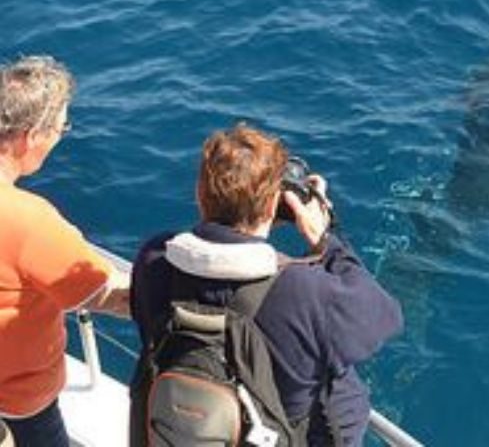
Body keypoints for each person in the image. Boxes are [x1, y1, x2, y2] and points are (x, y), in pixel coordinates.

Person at [130, 122, 403, 446]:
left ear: (200, 195)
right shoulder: (304, 292)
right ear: (274, 206)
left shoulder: (154, 260)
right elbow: (386, 317)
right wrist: (326, 241)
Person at [0, 55, 131, 447]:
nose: (58, 138)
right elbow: (107, 295)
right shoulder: (28, 220)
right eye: (60, 128)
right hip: (19, 407)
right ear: (31, 136)